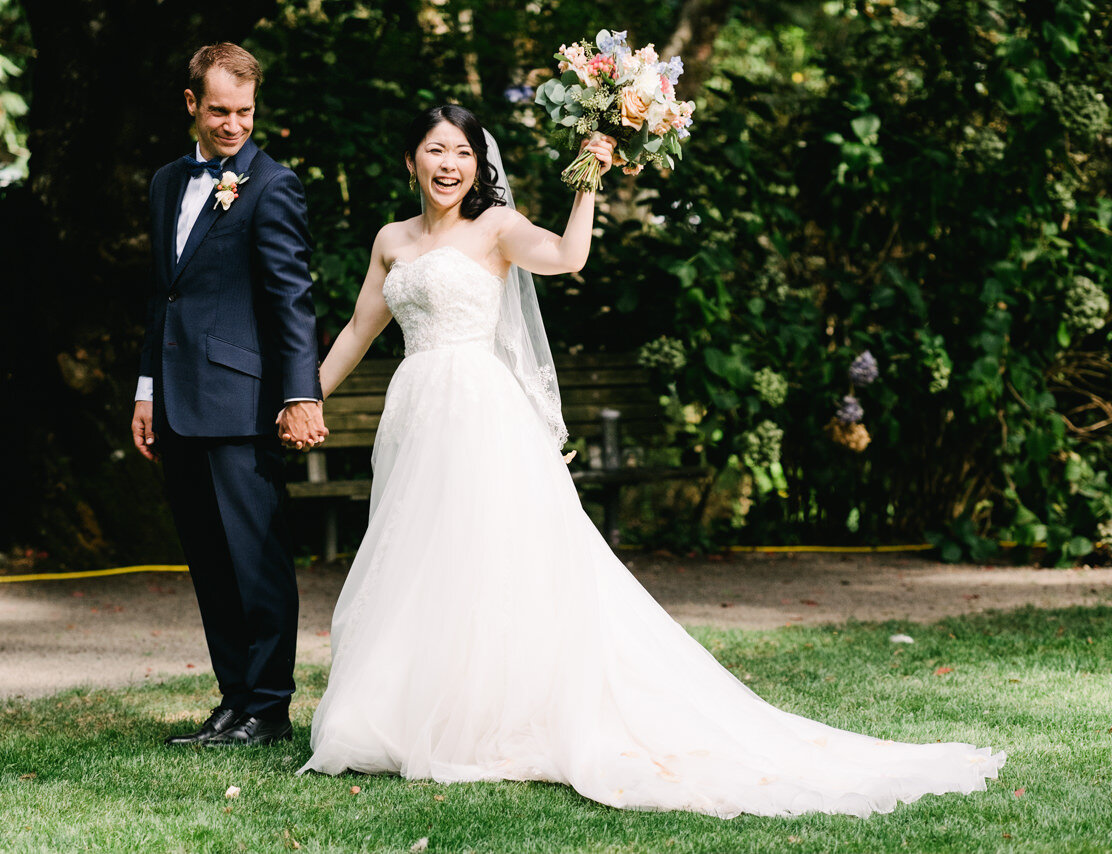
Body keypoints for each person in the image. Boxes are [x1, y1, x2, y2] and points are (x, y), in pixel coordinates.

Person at [296, 104, 1006, 815]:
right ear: (412, 159)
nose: (448, 165)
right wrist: (305, 397)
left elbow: (569, 259)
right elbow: (361, 327)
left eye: (462, 152)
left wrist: (590, 179)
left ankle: (490, 716)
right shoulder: (391, 239)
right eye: (434, 150)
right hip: (416, 413)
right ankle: (414, 710)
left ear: (481, 165)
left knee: (490, 557)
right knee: (422, 557)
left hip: (481, 413)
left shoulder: (497, 229)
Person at [131, 42, 327, 748]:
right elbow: (164, 295)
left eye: (244, 111)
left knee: (255, 561)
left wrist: (300, 395)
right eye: (219, 110)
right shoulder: (163, 184)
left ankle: (269, 707)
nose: (233, 125)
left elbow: (292, 301)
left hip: (241, 406)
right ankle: (233, 700)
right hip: (177, 403)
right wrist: (146, 389)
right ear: (192, 105)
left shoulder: (273, 186)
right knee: (210, 562)